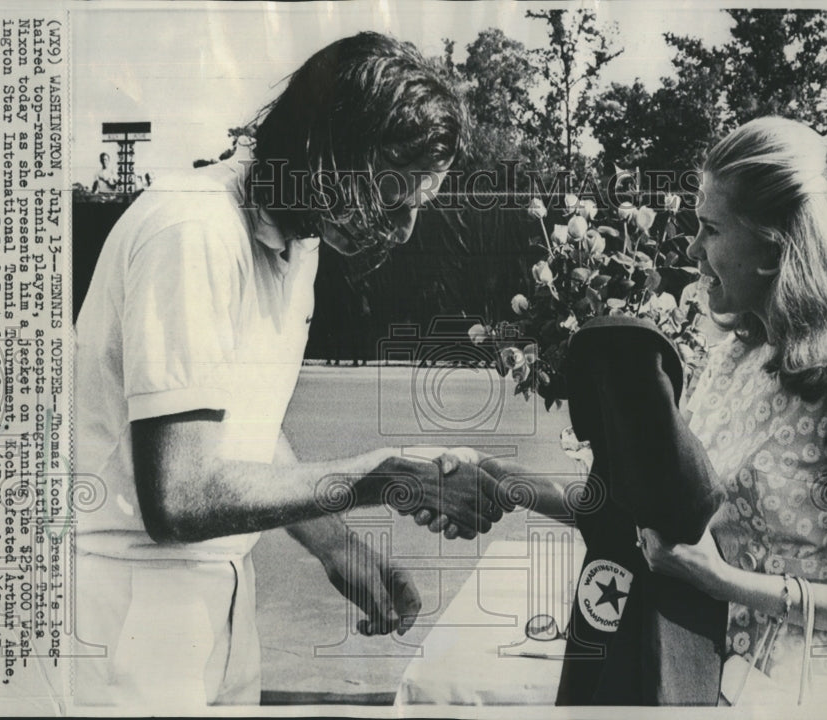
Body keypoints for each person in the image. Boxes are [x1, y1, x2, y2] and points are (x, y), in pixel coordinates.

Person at [73, 32, 504, 708]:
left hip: (214, 603)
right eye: (392, 200)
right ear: (329, 151)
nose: (402, 231)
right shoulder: (194, 230)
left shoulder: (297, 242)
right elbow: (179, 498)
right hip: (120, 613)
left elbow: (240, 426)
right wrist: (380, 477)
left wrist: (334, 543)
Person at [633, 118, 827, 706]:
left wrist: (723, 581)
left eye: (709, 229)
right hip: (709, 677)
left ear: (773, 247)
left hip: (807, 695)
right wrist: (504, 487)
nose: (691, 249)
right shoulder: (729, 360)